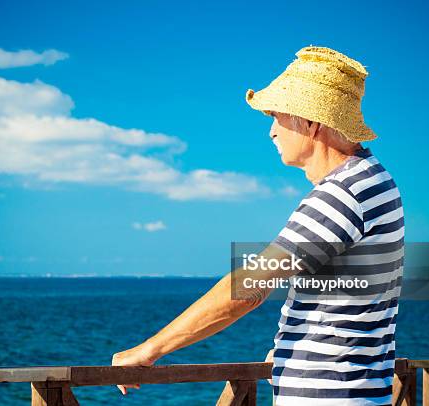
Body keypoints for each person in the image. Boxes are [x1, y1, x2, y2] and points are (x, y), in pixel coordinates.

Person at [112, 46, 404, 406]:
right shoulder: (375, 182)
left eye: (277, 117)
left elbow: (248, 288)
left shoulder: (341, 194)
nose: (271, 132)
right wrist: (289, 352)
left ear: (310, 122)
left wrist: (149, 349)